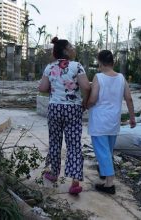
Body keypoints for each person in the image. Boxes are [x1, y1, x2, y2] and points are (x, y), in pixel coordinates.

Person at [39, 37, 90, 195]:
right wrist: (85, 102)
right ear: (66, 50)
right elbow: (86, 87)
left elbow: (42, 87)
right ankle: (74, 182)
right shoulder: (77, 66)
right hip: (73, 110)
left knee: (54, 142)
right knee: (74, 144)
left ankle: (54, 174)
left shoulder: (50, 67)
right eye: (71, 46)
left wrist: (54, 89)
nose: (73, 49)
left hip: (54, 109)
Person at [87, 50, 136, 194]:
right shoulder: (121, 78)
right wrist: (132, 117)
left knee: (102, 152)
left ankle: (109, 184)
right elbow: (129, 98)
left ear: (100, 62)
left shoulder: (99, 77)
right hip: (114, 121)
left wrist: (86, 105)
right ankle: (104, 172)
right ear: (113, 62)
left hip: (99, 121)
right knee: (107, 150)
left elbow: (93, 98)